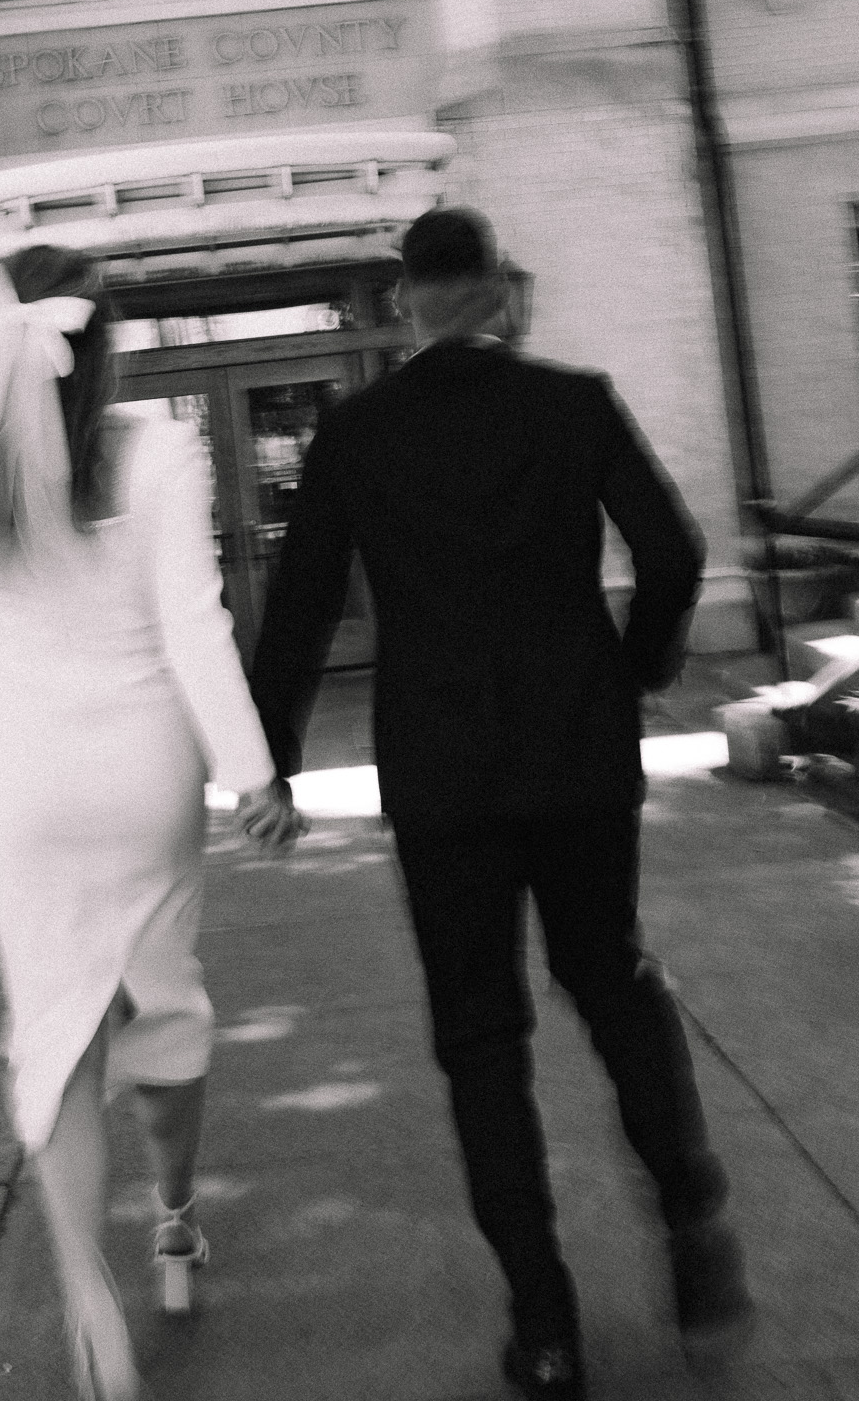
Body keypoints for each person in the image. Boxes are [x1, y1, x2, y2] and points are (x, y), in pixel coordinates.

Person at [247, 207, 752, 1400]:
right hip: (578, 755)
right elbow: (673, 553)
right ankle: (690, 1215)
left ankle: (545, 1327)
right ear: (498, 292)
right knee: (612, 975)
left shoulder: (357, 434)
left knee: (481, 1040)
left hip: (443, 774)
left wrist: (268, 756)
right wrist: (631, 668)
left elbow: (304, 600)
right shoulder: (573, 403)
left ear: (406, 300)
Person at [0, 245, 304, 1401]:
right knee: (159, 1002)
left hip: (21, 771)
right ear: (103, 347)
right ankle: (174, 1221)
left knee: (58, 1026)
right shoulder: (159, 449)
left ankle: (86, 1289)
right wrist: (252, 770)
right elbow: (194, 625)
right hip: (141, 770)